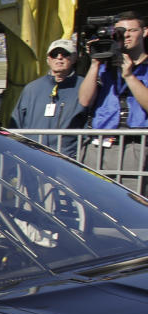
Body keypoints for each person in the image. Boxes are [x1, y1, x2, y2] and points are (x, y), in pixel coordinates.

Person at [78, 10, 148, 193]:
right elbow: (84, 100)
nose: (125, 36)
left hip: (134, 144)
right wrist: (95, 63)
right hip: (99, 142)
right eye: (120, 32)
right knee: (93, 197)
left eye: (132, 31)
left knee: (131, 201)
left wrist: (129, 76)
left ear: (145, 32)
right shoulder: (104, 66)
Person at [10, 39, 88, 157]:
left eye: (65, 54)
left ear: (74, 58)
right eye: (54, 54)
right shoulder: (31, 88)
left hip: (68, 158)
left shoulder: (85, 87)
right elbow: (16, 122)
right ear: (48, 59)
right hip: (33, 156)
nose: (59, 57)